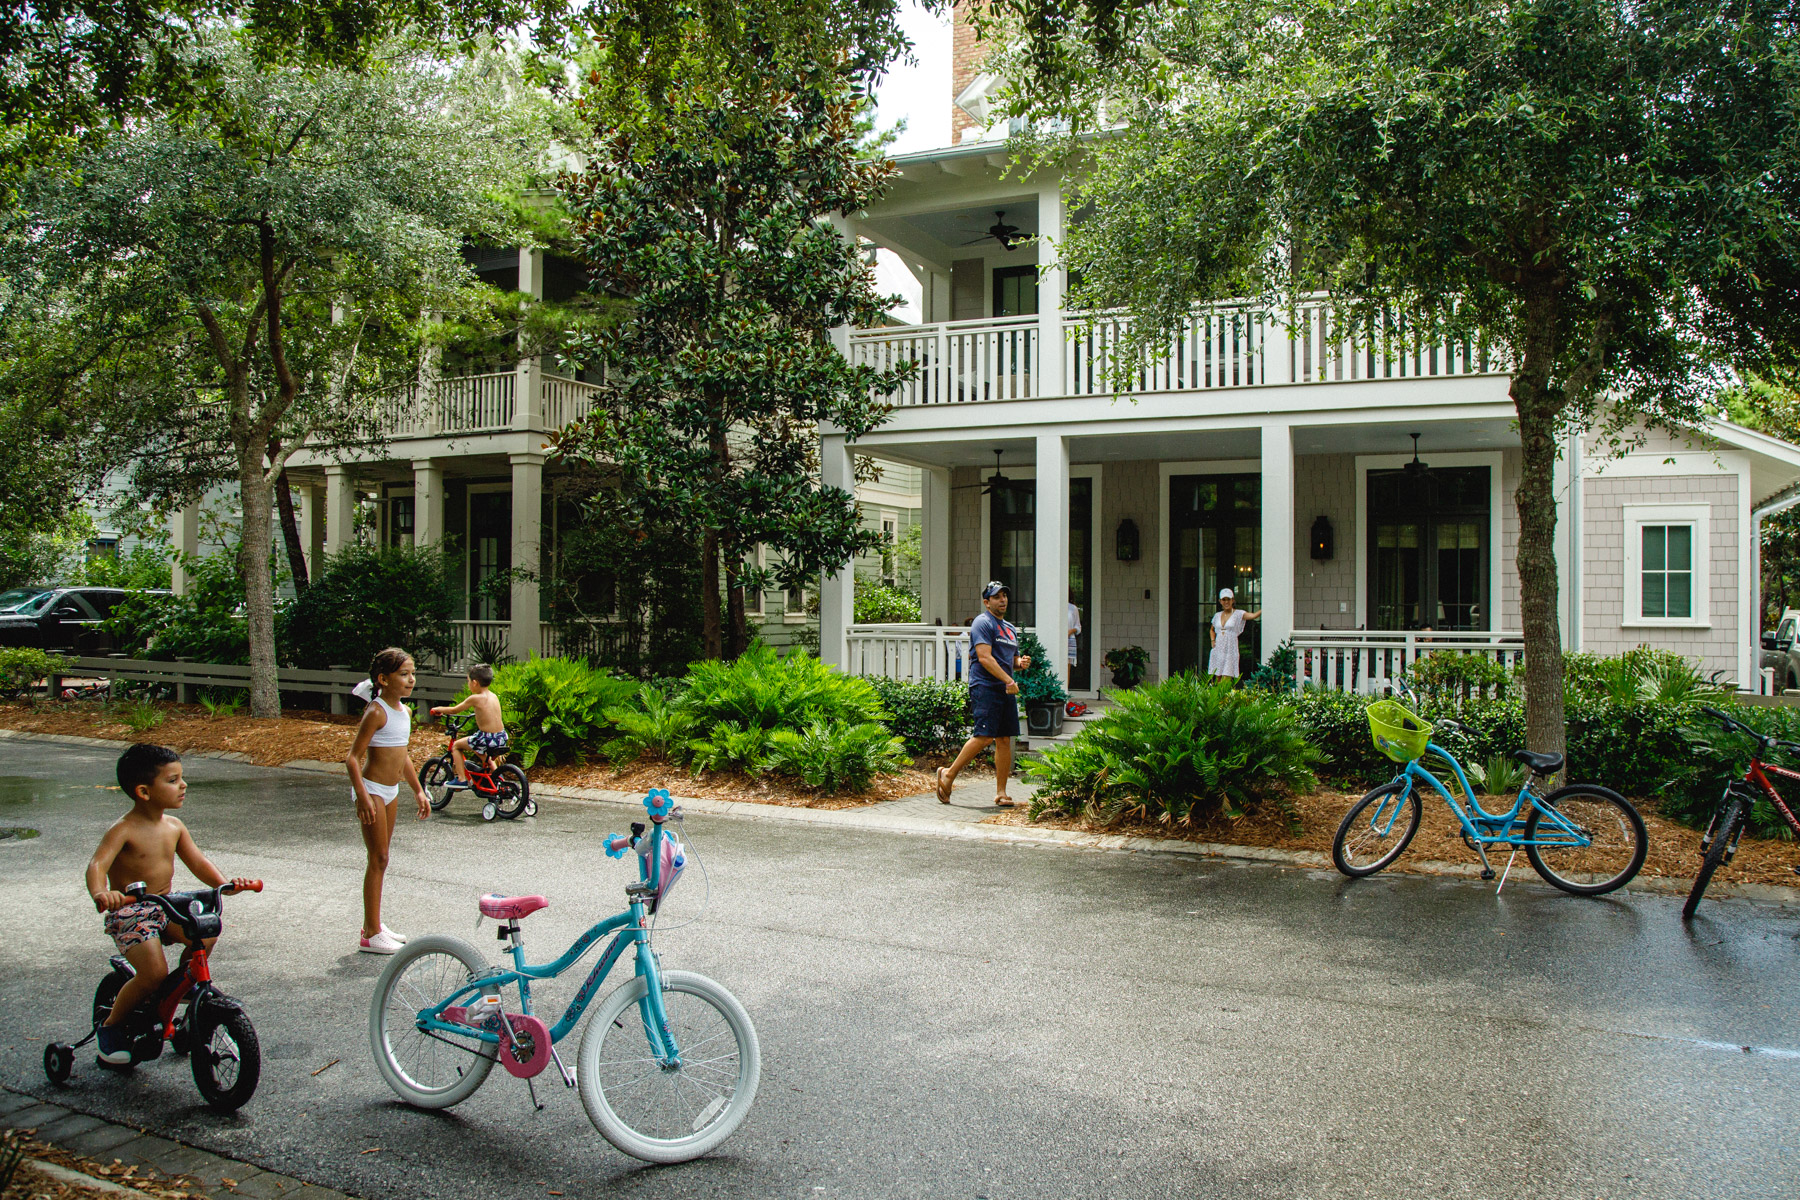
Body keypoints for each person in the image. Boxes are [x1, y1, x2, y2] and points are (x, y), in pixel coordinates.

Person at [85, 744, 255, 1065]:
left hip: (165, 906)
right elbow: (97, 865)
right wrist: (101, 893)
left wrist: (224, 885)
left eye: (182, 778)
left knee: (205, 932)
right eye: (173, 780)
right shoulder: (123, 830)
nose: (183, 785)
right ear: (144, 791)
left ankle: (183, 987)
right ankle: (111, 1027)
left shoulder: (174, 828)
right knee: (152, 974)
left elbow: (199, 863)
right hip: (132, 912)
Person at [346, 647, 429, 955]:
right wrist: (363, 796)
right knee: (378, 858)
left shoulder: (404, 712)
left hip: (390, 791)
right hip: (373, 790)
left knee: (383, 858)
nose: (411, 680)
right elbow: (352, 759)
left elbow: (402, 755)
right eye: (404, 674)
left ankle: (376, 925)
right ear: (383, 679)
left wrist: (418, 789)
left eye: (412, 673)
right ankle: (369, 933)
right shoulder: (376, 711)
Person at [936, 581, 1032, 808]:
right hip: (986, 686)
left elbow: (1010, 660)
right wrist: (1009, 679)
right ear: (987, 602)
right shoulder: (983, 622)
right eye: (997, 597)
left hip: (1005, 687)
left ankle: (1001, 793)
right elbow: (985, 657)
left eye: (1004, 596)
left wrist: (1020, 662)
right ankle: (948, 774)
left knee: (1004, 739)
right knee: (984, 736)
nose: (1003, 600)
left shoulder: (1009, 628)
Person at [429, 663, 507, 789]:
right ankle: (499, 779)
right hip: (501, 736)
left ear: (475, 683)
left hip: (486, 738)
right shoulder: (493, 696)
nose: (468, 684)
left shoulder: (475, 698)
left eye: (468, 681)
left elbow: (455, 710)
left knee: (456, 746)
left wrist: (438, 709)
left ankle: (461, 779)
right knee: (485, 756)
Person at [1208, 588, 1262, 680]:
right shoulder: (1217, 615)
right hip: (1218, 649)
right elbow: (1212, 630)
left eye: (1228, 599)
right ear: (1220, 601)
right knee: (1218, 678)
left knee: (1226, 677)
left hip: (1230, 649)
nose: (1226, 602)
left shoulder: (1238, 614)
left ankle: (1226, 693)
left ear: (1233, 600)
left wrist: (1266, 607)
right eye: (1224, 600)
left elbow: (1253, 615)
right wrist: (1212, 640)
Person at [1067, 600, 1082, 675]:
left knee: (1067, 666)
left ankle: (1065, 686)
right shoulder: (1054, 606)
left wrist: (1071, 631)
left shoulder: (1073, 608)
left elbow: (1078, 627)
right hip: (1056, 640)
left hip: (1069, 640)